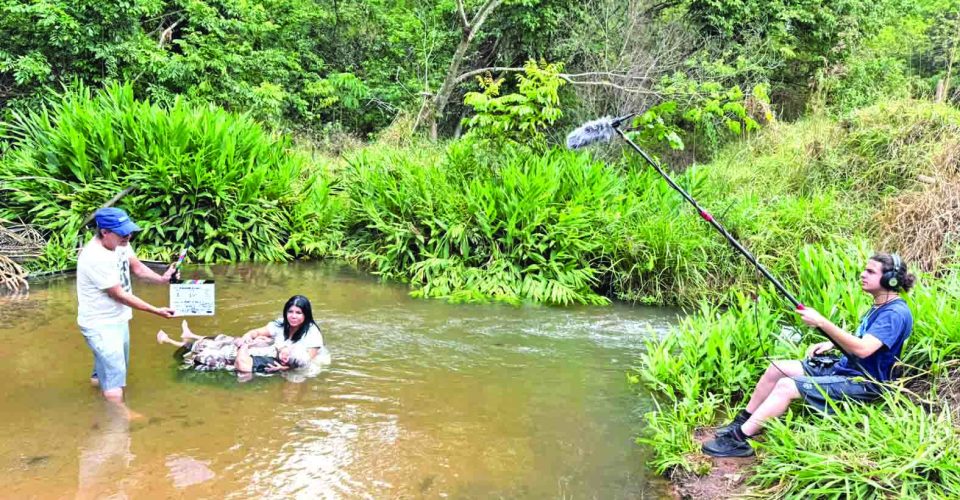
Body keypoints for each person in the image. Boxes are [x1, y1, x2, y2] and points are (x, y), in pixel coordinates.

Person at [702, 253, 916, 457]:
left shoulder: (894, 313)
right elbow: (867, 339)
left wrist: (822, 322)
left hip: (864, 382)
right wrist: (832, 343)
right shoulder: (882, 306)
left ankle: (738, 440)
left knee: (787, 386)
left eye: (870, 271)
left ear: (890, 280)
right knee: (778, 368)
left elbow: (863, 349)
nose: (862, 274)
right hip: (847, 367)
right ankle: (744, 420)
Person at [76, 207, 177, 407]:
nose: (128, 236)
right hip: (101, 324)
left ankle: (94, 402)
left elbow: (137, 268)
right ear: (105, 232)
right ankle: (120, 417)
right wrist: (156, 310)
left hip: (118, 318)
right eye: (123, 233)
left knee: (104, 372)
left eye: (129, 232)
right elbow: (119, 295)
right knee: (115, 382)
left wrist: (162, 279)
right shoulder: (95, 257)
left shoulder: (121, 243)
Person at [156, 320, 311, 374]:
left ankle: (170, 341)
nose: (285, 356)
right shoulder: (283, 347)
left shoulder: (274, 364)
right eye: (287, 353)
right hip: (239, 348)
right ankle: (190, 334)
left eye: (287, 359)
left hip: (232, 356)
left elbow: (243, 365)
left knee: (203, 349)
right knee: (220, 339)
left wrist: (284, 368)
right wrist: (255, 339)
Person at [233, 294, 326, 373]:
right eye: (290, 312)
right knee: (257, 340)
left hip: (297, 366)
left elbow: (306, 362)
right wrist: (246, 337)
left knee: (243, 366)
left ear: (306, 315)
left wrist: (283, 368)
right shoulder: (280, 324)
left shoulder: (313, 333)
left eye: (298, 313)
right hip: (280, 355)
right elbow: (256, 332)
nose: (293, 316)